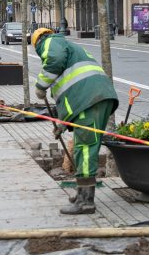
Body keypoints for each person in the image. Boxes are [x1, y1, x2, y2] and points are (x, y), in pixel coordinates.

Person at [31, 28, 118, 215]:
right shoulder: (70, 48)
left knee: (85, 149)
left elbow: (54, 59)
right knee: (84, 146)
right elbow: (72, 94)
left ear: (38, 42)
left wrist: (40, 85)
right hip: (93, 100)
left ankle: (86, 202)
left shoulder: (51, 42)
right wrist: (63, 124)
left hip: (92, 100)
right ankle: (81, 194)